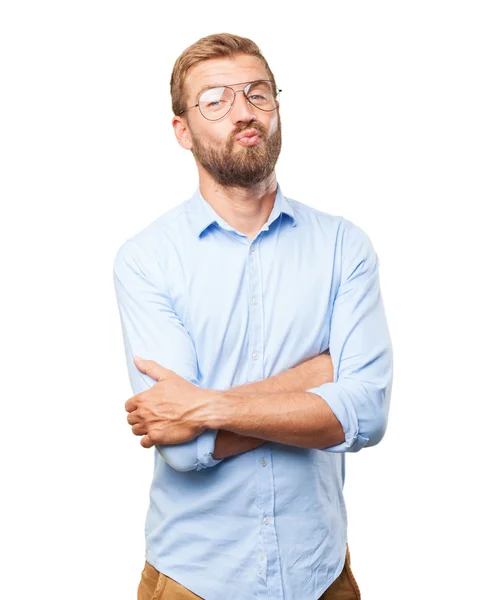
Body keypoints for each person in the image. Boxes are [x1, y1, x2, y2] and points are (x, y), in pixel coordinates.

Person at [113, 32, 393, 600]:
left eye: (258, 94)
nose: (244, 111)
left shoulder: (344, 246)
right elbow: (184, 447)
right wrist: (320, 377)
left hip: (321, 576)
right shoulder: (146, 260)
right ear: (182, 130)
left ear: (277, 109)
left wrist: (207, 405)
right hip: (194, 580)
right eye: (215, 99)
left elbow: (365, 413)